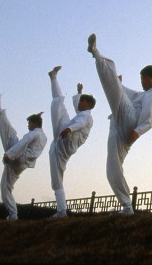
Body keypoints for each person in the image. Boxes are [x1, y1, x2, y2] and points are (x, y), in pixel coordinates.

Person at [87, 33, 152, 215]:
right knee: (112, 170)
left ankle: (96, 53)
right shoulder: (142, 94)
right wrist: (119, 86)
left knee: (116, 93)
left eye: (143, 78)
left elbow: (151, 120)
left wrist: (138, 131)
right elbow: (128, 94)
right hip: (119, 127)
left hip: (130, 124)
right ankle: (127, 206)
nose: (141, 81)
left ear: (151, 78)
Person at [47, 66, 96, 218]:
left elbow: (80, 123)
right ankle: (53, 77)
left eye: (81, 101)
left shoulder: (86, 116)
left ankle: (62, 211)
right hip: (62, 142)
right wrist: (80, 92)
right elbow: (79, 114)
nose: (79, 103)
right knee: (58, 104)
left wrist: (69, 129)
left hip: (66, 141)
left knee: (58, 104)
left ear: (87, 103)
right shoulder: (83, 114)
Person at [0, 94, 47, 221]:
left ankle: (13, 215)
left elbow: (23, 143)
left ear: (35, 124)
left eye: (29, 123)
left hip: (18, 158)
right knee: (10, 135)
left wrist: (8, 155)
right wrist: (37, 117)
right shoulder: (43, 136)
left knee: (5, 187)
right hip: (23, 162)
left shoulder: (33, 134)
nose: (28, 125)